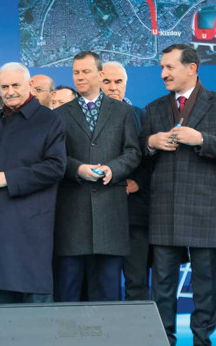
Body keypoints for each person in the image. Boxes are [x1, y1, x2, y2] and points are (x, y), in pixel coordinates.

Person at [141, 44, 216, 346]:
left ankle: (202, 341)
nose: (163, 73)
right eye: (161, 67)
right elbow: (139, 156)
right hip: (164, 209)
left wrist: (202, 139)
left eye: (169, 67)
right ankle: (164, 340)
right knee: (161, 285)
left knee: (206, 286)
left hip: (207, 209)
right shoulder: (154, 109)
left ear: (192, 68)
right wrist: (151, 142)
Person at [0, 62, 66, 303]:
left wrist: (6, 178)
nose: (10, 91)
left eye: (15, 85)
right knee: (3, 310)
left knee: (36, 308)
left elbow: (56, 167)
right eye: (4, 86)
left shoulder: (50, 120)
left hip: (33, 227)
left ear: (29, 85)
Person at [55, 51, 140, 303]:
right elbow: (56, 157)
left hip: (111, 210)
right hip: (73, 211)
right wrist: (77, 169)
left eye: (86, 72)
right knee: (69, 285)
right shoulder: (60, 114)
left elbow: (133, 151)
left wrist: (114, 169)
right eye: (76, 72)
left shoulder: (123, 112)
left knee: (109, 287)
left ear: (100, 74)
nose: (80, 77)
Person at [100, 61, 152, 300]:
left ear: (126, 84)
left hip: (135, 213)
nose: (113, 87)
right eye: (107, 81)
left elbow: (153, 158)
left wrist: (138, 182)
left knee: (137, 280)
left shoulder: (142, 116)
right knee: (102, 282)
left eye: (118, 82)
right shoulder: (88, 117)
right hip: (100, 211)